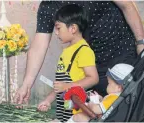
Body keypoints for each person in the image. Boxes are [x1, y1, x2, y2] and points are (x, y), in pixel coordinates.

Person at [14, 1, 144, 106]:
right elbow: (39, 46)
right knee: (95, 110)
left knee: (125, 107)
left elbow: (128, 6)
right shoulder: (48, 5)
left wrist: (141, 42)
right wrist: (26, 85)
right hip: (89, 64)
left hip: (121, 53)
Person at [37, 4, 99, 122]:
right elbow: (60, 86)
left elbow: (93, 78)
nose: (56, 33)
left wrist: (68, 86)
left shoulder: (84, 50)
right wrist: (48, 100)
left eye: (58, 28)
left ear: (73, 28)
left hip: (77, 114)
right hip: (63, 113)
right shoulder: (66, 51)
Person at [68, 63, 134, 122]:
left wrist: (91, 103)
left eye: (109, 83)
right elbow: (105, 107)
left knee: (78, 117)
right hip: (103, 119)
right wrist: (101, 99)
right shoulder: (121, 100)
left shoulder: (114, 98)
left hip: (101, 120)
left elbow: (95, 109)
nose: (107, 85)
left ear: (119, 88)